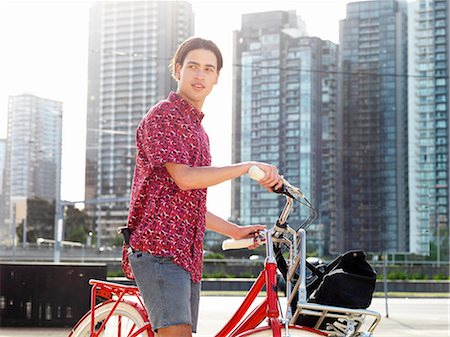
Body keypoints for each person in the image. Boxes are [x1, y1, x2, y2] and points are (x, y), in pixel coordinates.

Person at [122, 37, 283, 337]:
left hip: (186, 255)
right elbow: (184, 178)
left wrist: (234, 231)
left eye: (208, 69)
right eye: (193, 67)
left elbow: (187, 201)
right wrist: (246, 167)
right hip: (158, 249)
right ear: (178, 70)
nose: (200, 75)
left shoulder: (199, 131)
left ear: (217, 77)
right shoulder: (164, 115)